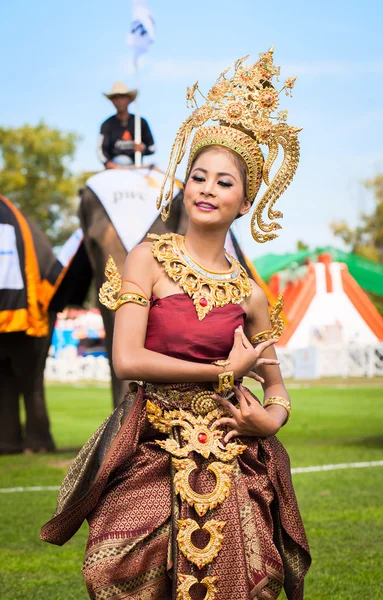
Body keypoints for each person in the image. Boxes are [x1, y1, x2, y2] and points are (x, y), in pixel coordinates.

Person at [41, 49, 311, 600]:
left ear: (244, 202)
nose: (208, 189)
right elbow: (128, 360)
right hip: (151, 445)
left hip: (235, 454)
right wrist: (221, 371)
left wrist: (270, 422)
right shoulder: (146, 260)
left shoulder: (251, 296)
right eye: (198, 177)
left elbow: (278, 390)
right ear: (184, 187)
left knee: (244, 582)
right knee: (112, 569)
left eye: (224, 183)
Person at [97, 81, 156, 168]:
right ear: (112, 101)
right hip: (115, 167)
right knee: (122, 160)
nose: (119, 101)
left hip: (136, 166)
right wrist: (108, 163)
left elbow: (152, 147)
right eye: (115, 98)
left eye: (122, 97)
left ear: (129, 99)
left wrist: (142, 148)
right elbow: (101, 150)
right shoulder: (107, 125)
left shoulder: (140, 122)